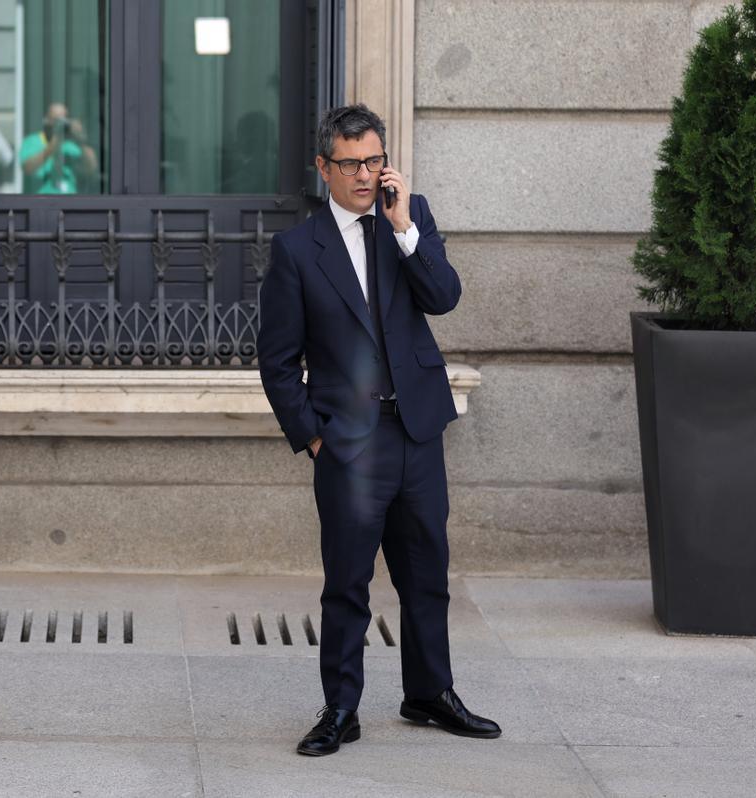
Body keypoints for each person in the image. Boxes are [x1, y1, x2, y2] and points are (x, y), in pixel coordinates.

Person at [256, 104, 501, 756]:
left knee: (427, 573)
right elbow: (276, 362)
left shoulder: (408, 216)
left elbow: (443, 296)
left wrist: (404, 231)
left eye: (374, 160)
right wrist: (313, 437)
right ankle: (341, 708)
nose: (365, 174)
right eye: (351, 163)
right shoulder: (296, 251)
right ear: (323, 167)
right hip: (349, 443)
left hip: (417, 429)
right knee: (348, 584)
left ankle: (429, 693)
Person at [18, 103, 99, 194]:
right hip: (41, 200)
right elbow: (27, 168)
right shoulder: (33, 141)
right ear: (46, 120)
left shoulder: (71, 145)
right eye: (56, 120)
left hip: (69, 202)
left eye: (64, 120)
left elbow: (91, 169)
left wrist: (80, 139)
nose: (60, 124)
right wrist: (53, 144)